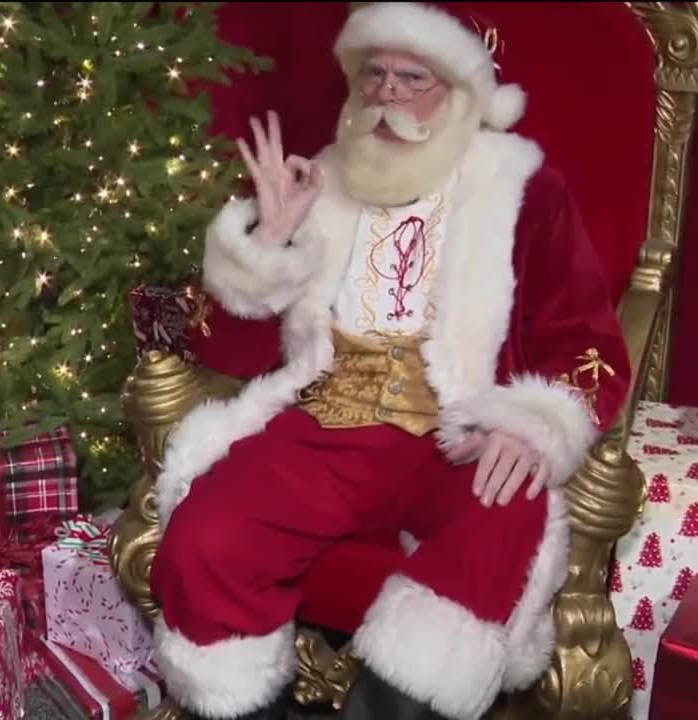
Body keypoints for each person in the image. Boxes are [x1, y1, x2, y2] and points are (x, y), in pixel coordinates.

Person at [147, 3, 632, 719]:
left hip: (459, 433)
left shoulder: (525, 189)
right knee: (207, 539)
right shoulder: (318, 181)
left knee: (507, 518)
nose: (387, 94)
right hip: (327, 422)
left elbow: (588, 344)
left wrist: (532, 424)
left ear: (461, 93)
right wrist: (270, 245)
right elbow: (229, 349)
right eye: (374, 74)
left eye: (413, 78)